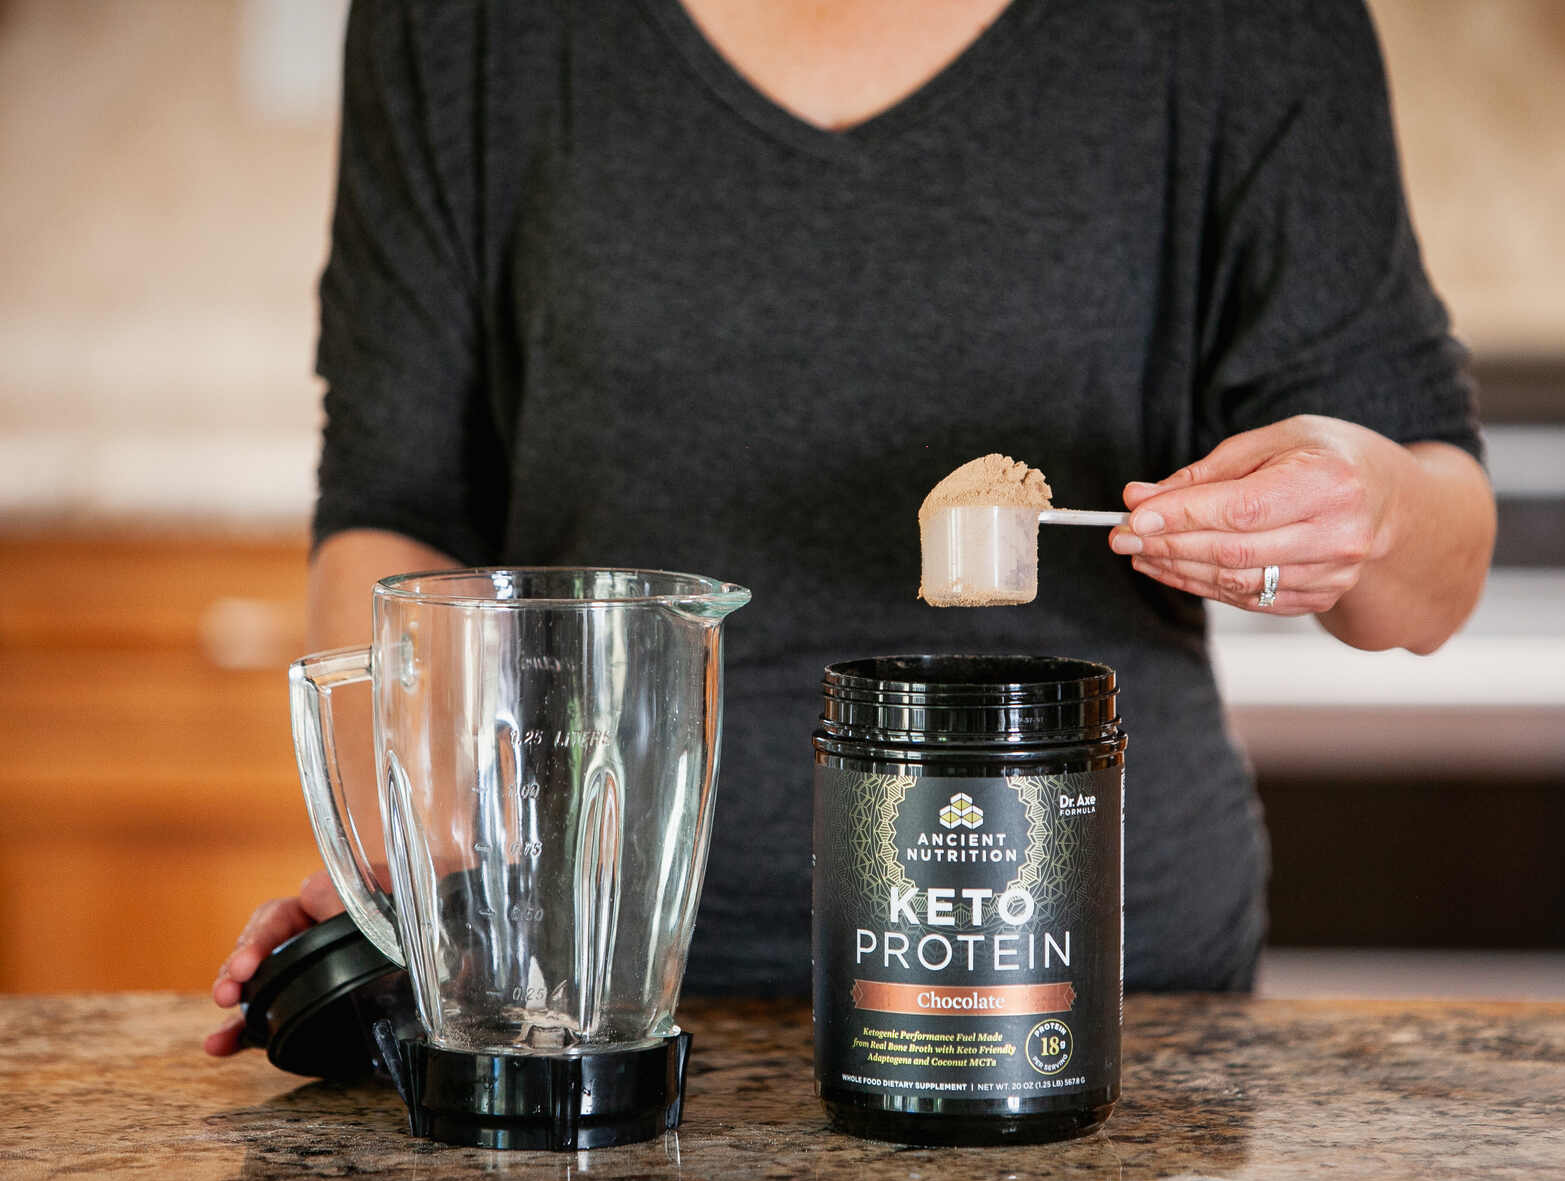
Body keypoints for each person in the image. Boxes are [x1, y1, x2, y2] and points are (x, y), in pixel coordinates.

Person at [207, 0, 1494, 1056]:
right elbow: (393, 511)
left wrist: (1365, 507)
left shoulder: (1242, 26)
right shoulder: (465, 25)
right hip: (589, 1005)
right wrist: (418, 875)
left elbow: (1430, 583)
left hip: (1096, 1008)